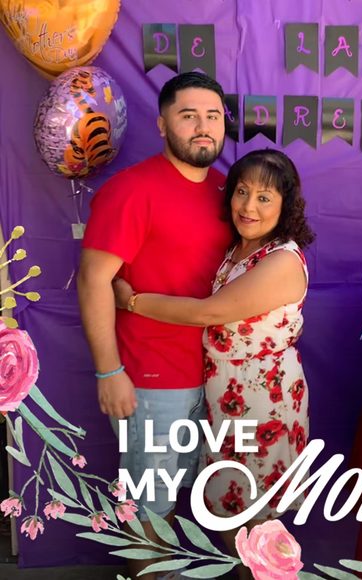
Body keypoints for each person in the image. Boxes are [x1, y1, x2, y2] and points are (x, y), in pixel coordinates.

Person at [113, 148, 314, 578]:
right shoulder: (239, 249)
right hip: (226, 399)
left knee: (254, 523)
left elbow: (209, 312)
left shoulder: (281, 258)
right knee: (229, 511)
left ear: (286, 205)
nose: (248, 206)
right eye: (242, 191)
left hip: (263, 403)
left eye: (264, 197)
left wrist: (132, 301)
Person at [77, 72, 231, 580]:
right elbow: (94, 280)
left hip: (220, 378)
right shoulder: (132, 190)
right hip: (153, 379)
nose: (203, 126)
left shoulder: (231, 192)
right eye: (189, 116)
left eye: (213, 116)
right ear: (163, 124)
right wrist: (109, 372)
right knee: (151, 508)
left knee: (211, 497)